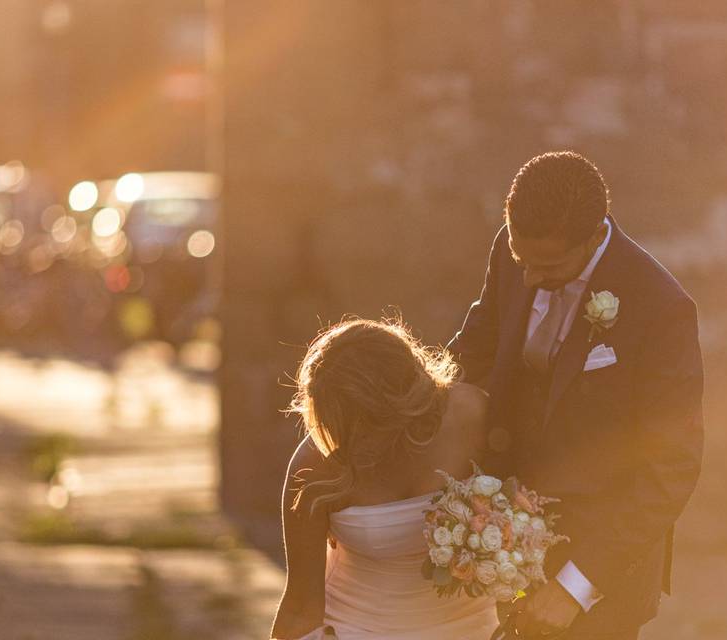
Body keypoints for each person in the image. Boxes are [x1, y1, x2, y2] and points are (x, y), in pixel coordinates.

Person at [448, 151, 704, 639]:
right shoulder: (515, 248)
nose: (529, 278)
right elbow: (472, 357)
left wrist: (573, 586)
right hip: (499, 544)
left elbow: (671, 467)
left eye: (548, 266)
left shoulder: (661, 307)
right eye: (522, 262)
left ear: (593, 237)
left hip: (600, 565)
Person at [271, 318, 500, 639]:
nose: (349, 443)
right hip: (356, 629)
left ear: (402, 405)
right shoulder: (316, 464)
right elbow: (300, 606)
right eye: (335, 424)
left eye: (362, 423)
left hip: (475, 629)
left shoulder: (471, 417)